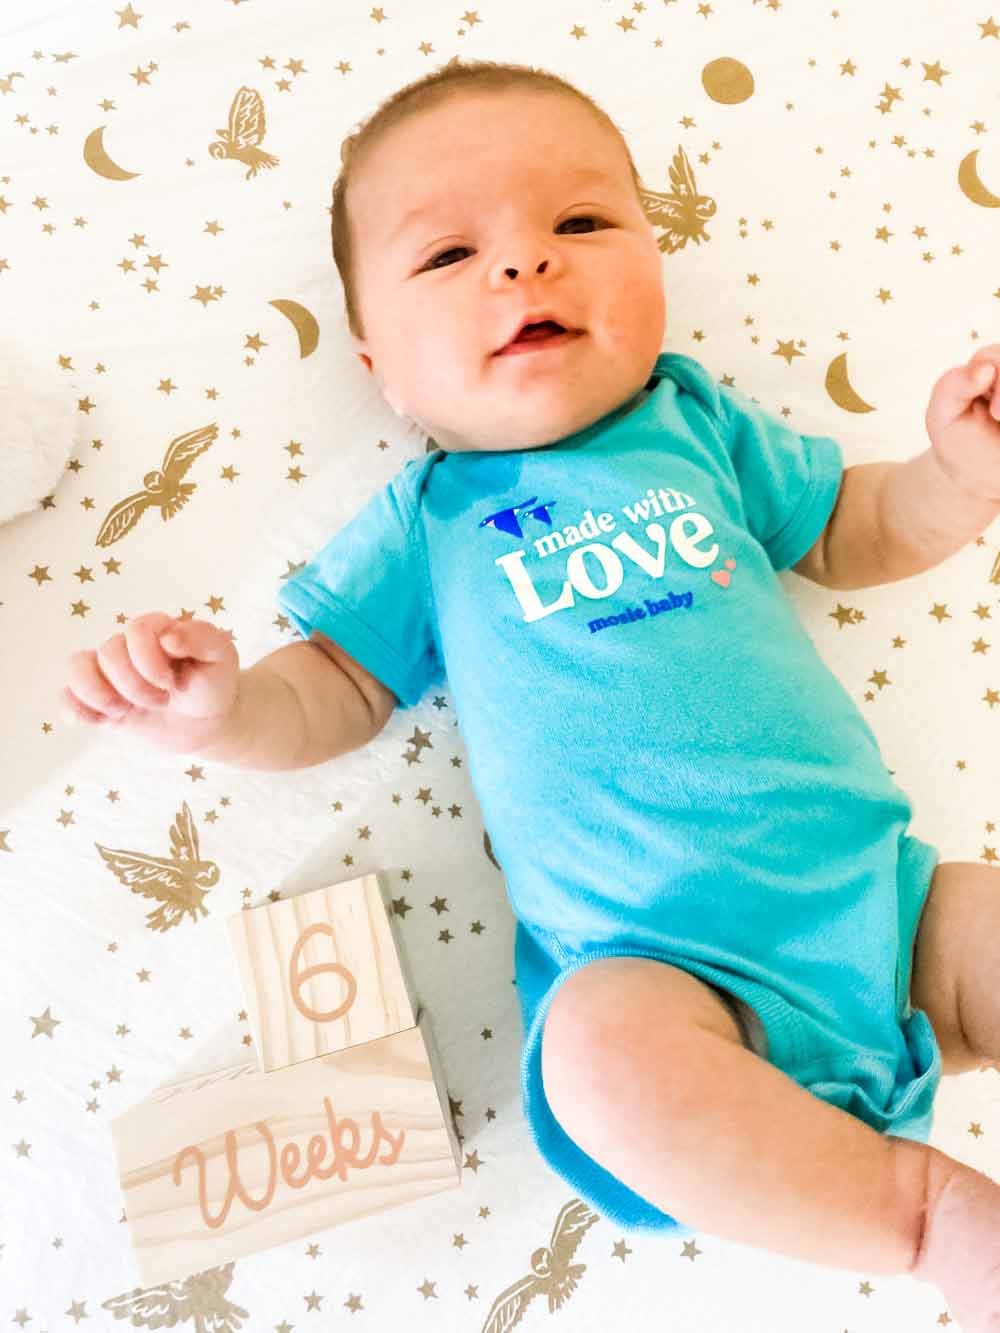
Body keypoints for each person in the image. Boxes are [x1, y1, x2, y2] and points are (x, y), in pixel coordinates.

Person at [59, 59, 1000, 1329]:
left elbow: (855, 526)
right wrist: (220, 711)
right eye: (450, 255)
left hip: (889, 910)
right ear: (379, 362)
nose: (524, 267)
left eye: (580, 223)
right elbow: (333, 686)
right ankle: (928, 1216)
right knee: (601, 1061)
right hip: (663, 977)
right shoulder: (427, 519)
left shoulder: (697, 425)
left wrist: (953, 475)